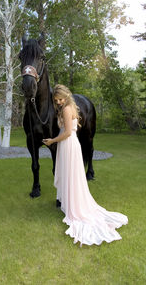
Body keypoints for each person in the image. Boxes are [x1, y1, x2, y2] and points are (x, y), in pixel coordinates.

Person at [43, 84, 128, 246]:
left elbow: (67, 132)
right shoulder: (66, 107)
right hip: (67, 144)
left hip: (68, 143)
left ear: (66, 96)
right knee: (69, 174)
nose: (59, 102)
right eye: (56, 100)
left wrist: (52, 141)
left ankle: (74, 205)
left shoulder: (67, 109)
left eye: (60, 99)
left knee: (70, 174)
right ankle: (68, 201)